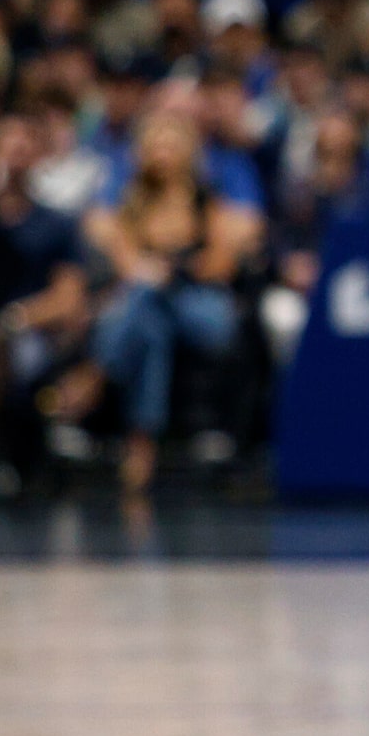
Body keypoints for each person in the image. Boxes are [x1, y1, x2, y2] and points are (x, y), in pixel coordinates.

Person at [82, 109, 263, 495]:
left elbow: (221, 265)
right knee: (151, 325)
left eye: (171, 143)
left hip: (202, 308)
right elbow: (126, 263)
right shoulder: (130, 202)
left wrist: (176, 271)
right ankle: (143, 440)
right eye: (155, 143)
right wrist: (151, 273)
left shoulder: (205, 198)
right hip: (152, 305)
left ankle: (96, 374)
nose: (163, 151)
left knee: (148, 298)